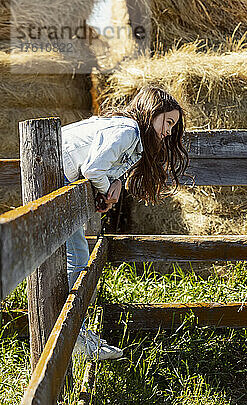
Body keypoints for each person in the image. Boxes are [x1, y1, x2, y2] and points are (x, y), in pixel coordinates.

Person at [61, 85, 189, 360]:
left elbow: (100, 168)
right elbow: (94, 168)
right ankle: (77, 337)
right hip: (53, 182)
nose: (167, 132)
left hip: (58, 183)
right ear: (152, 112)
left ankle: (77, 333)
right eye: (167, 122)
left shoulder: (130, 135)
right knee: (78, 258)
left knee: (76, 258)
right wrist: (106, 186)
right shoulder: (128, 130)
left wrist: (114, 183)